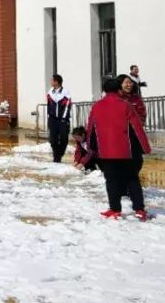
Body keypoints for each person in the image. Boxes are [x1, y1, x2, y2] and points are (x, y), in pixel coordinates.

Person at [87, 77, 152, 220]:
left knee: (111, 180)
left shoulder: (96, 106)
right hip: (126, 150)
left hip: (106, 151)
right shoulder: (126, 105)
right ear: (118, 89)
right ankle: (139, 209)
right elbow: (137, 128)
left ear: (104, 90)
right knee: (132, 179)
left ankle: (115, 209)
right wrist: (145, 148)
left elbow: (91, 129)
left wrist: (91, 148)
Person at [46, 74, 72, 163]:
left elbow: (67, 105)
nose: (51, 82)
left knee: (64, 139)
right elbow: (49, 105)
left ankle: (59, 154)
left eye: (52, 80)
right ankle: (56, 157)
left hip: (63, 120)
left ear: (56, 82)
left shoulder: (65, 92)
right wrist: (49, 116)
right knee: (53, 140)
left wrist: (64, 118)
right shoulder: (50, 92)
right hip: (53, 119)